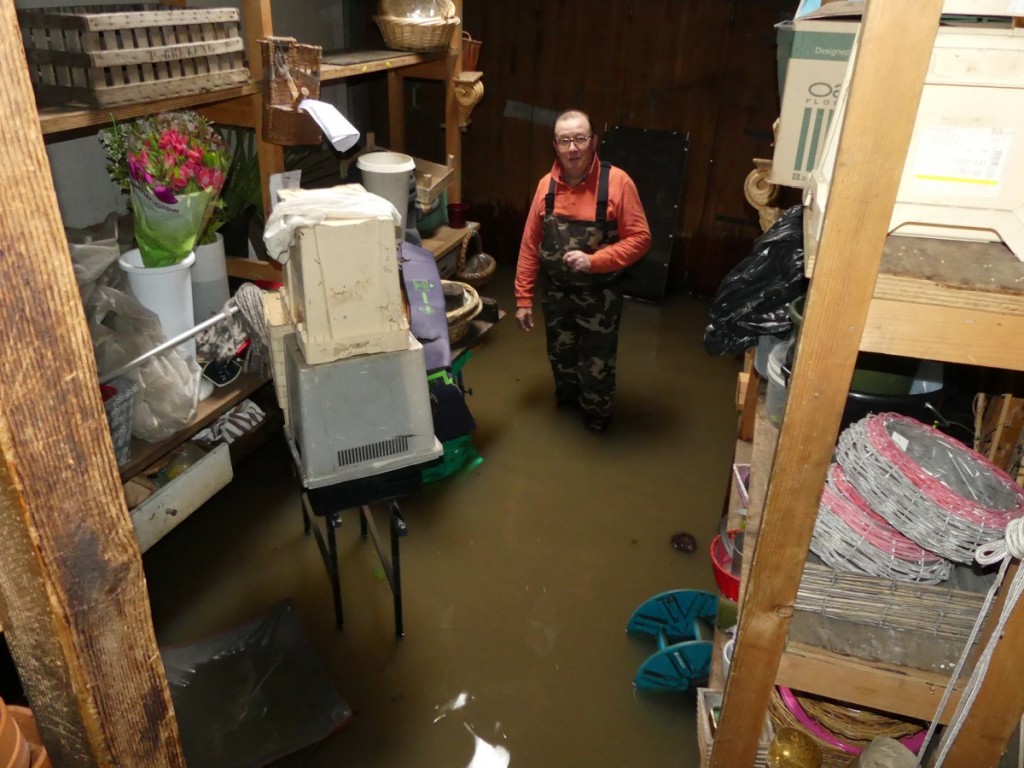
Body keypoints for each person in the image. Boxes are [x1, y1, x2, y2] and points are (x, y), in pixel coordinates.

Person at [514, 109, 652, 433]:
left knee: (597, 367)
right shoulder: (544, 187)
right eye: (565, 141)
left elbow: (642, 239)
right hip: (556, 294)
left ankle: (596, 422)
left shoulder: (618, 183)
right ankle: (564, 416)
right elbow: (529, 246)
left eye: (580, 138)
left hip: (599, 297)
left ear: (593, 141)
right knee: (560, 361)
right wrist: (523, 298)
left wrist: (596, 261)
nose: (573, 148)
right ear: (556, 146)